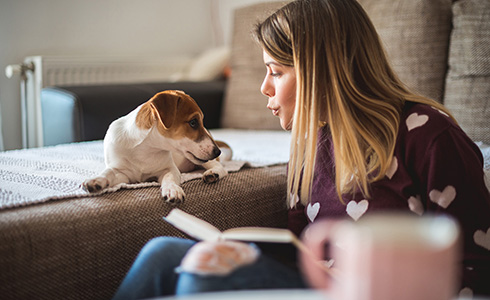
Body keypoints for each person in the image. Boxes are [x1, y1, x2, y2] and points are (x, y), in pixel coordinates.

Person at [112, 0, 490, 299]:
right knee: (163, 254)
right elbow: (300, 250)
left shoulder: (428, 134)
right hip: (315, 286)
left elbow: (476, 266)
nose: (264, 87)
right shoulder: (311, 144)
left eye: (276, 72)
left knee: (204, 282)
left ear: (322, 70)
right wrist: (245, 254)